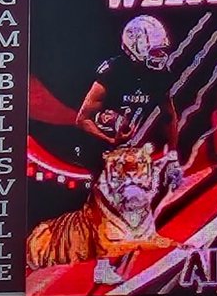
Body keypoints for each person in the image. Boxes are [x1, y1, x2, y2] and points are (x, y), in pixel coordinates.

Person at [76, 14, 182, 191]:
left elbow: (169, 117)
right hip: (100, 153)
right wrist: (111, 140)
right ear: (136, 47)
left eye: (161, 50)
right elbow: (82, 119)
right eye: (155, 51)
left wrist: (172, 158)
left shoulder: (159, 75)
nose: (161, 56)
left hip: (133, 157)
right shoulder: (112, 72)